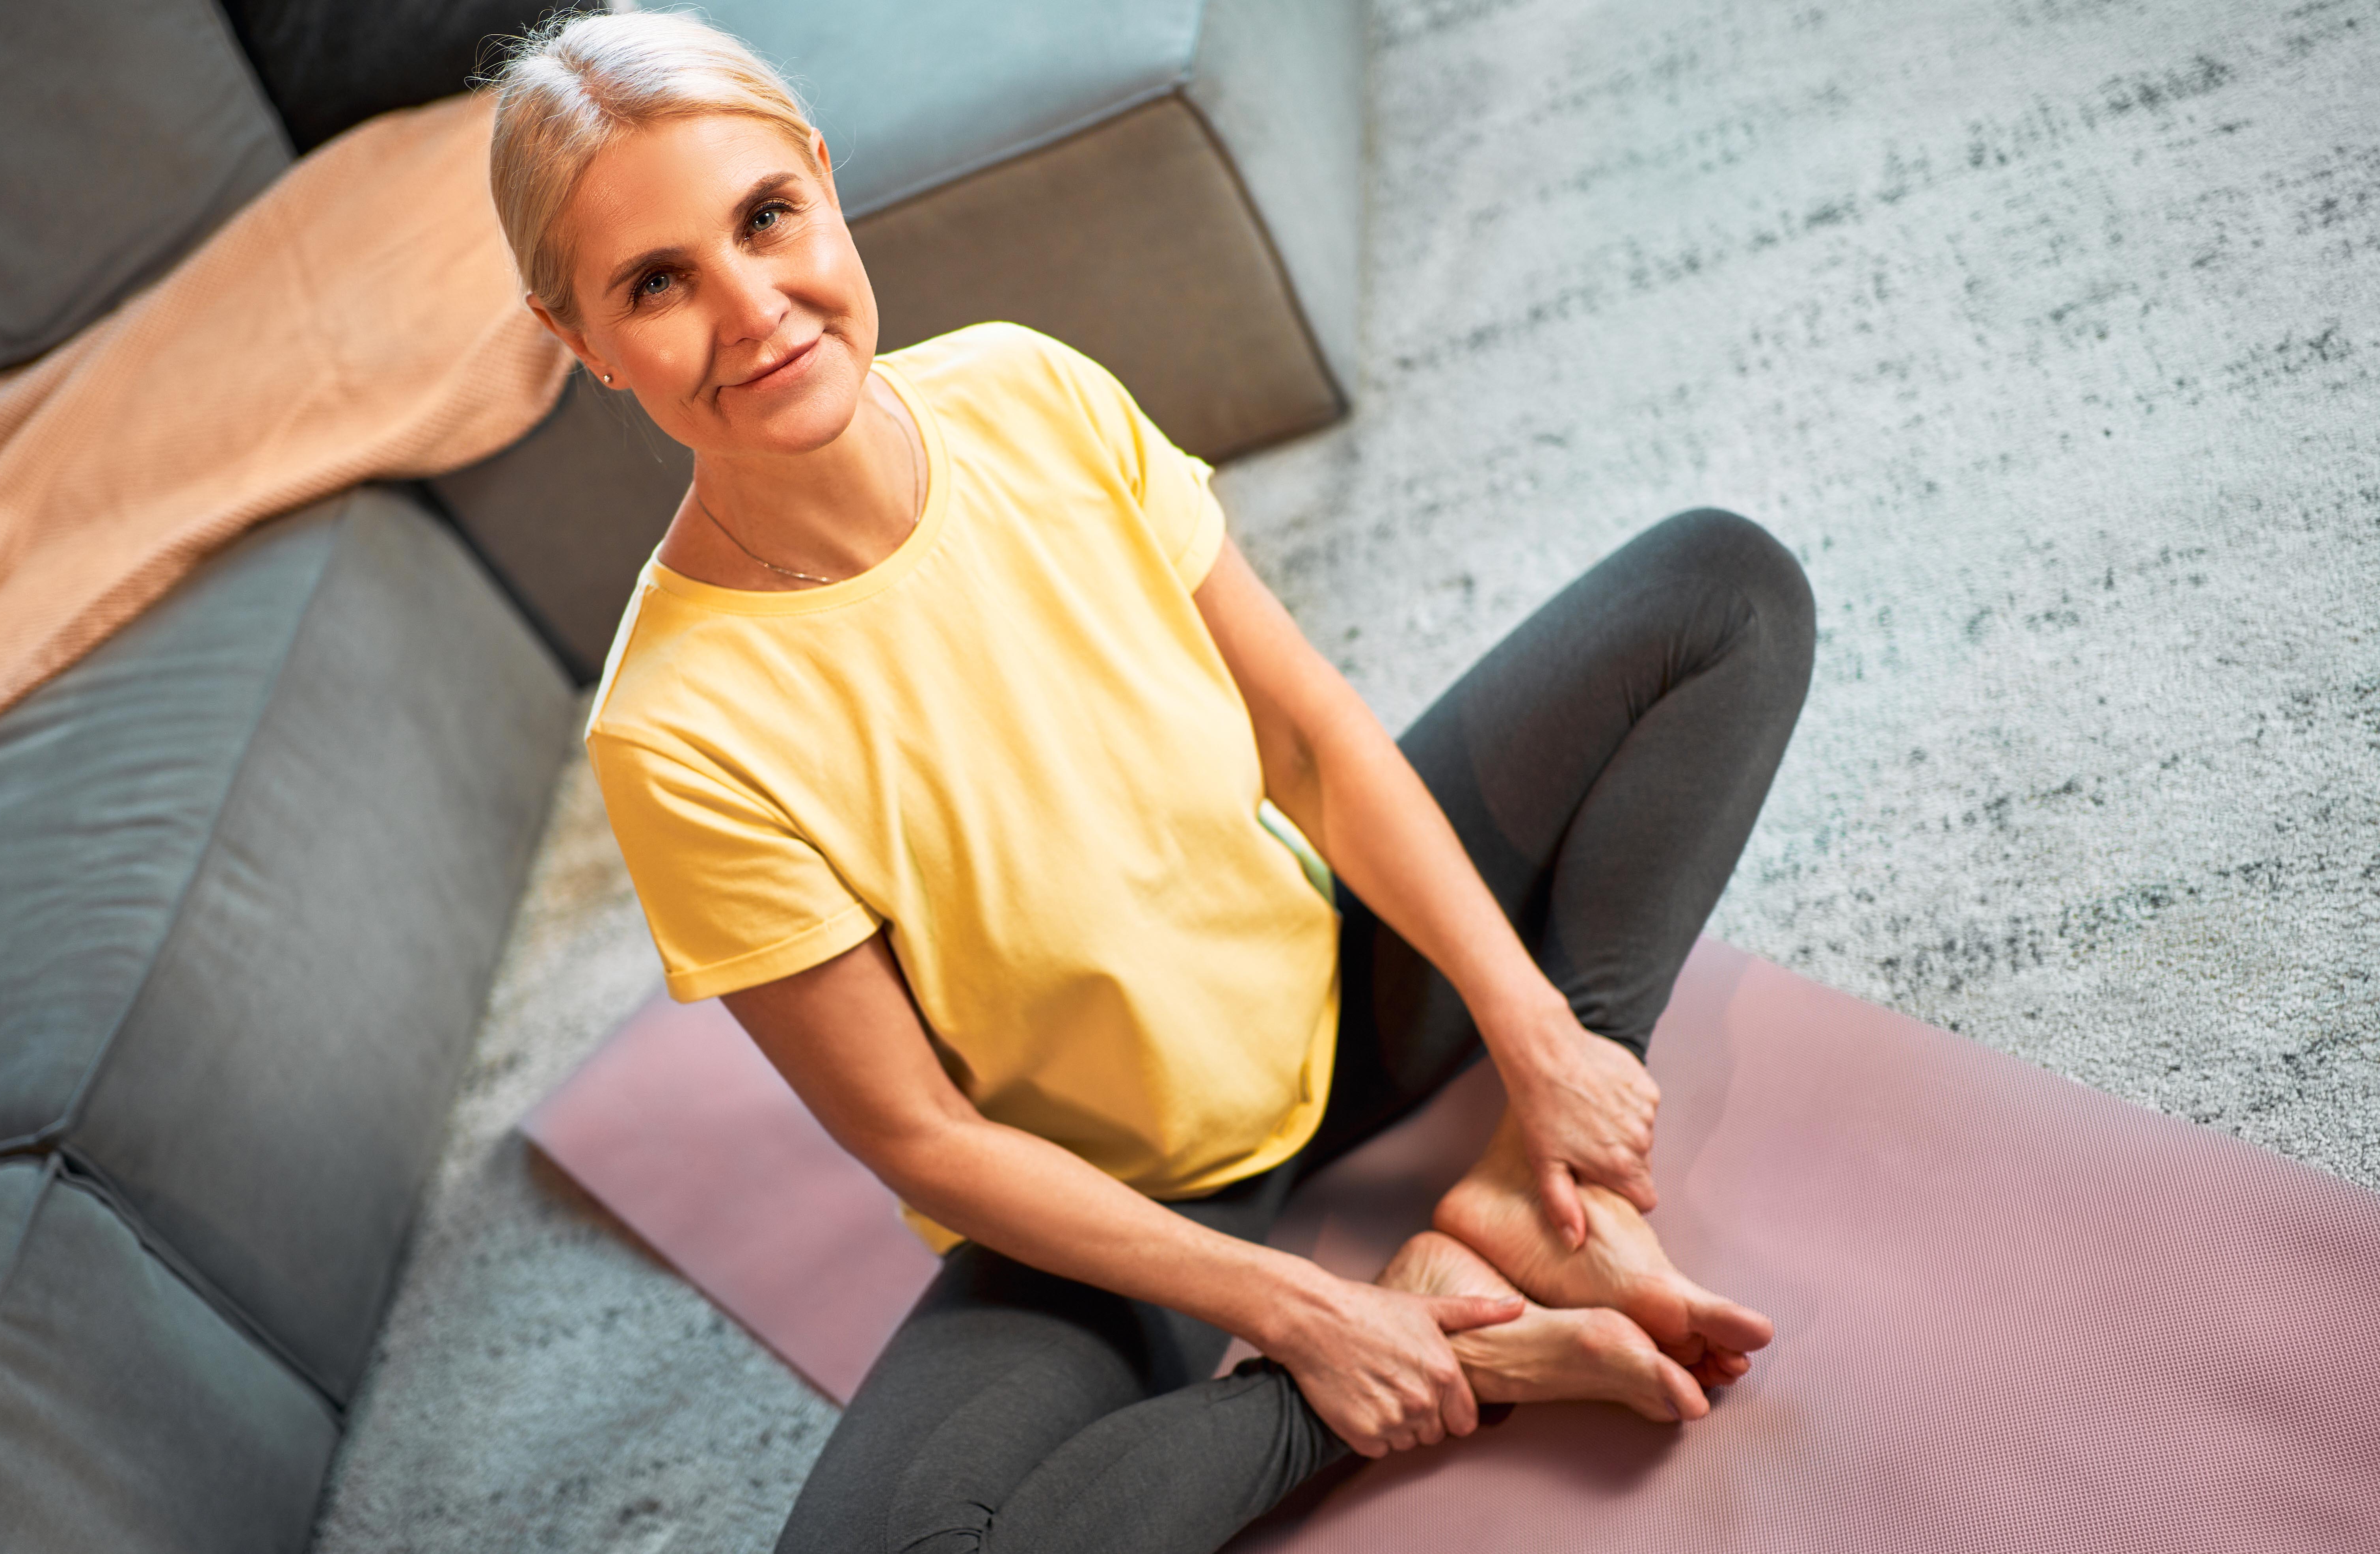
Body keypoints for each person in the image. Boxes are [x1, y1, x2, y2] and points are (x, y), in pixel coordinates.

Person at [488, 14, 1812, 1552]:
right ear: (579, 339)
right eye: (657, 284)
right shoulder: (673, 731)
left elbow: (1309, 742)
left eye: (766, 216)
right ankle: (1445, 1336)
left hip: (1344, 983)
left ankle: (1543, 1190)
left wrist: (1542, 1035)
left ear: (826, 187)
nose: (752, 306)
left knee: (1721, 591)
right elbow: (921, 1135)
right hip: (1118, 1201)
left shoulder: (1028, 389)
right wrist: (1308, 1318)